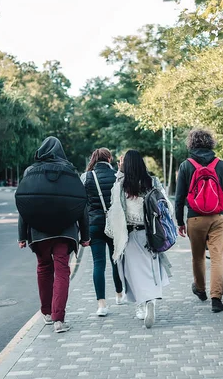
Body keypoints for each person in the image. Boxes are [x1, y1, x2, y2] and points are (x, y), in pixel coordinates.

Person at [18, 137, 90, 333]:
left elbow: (24, 204)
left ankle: (47, 313)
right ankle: (59, 319)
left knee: (43, 268)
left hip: (38, 231)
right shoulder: (70, 172)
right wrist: (85, 235)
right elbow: (81, 204)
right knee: (62, 271)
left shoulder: (30, 172)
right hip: (64, 231)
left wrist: (22, 236)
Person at [105, 150, 172, 329]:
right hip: (151, 234)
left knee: (132, 272)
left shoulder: (122, 184)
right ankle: (151, 301)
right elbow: (166, 207)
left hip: (130, 235)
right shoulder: (153, 182)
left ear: (125, 165)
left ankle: (141, 307)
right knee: (151, 269)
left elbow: (114, 206)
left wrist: (119, 173)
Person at [175, 129, 223, 313]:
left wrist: (180, 222)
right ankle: (216, 298)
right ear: (211, 143)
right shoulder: (221, 165)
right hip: (219, 217)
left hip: (195, 217)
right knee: (217, 258)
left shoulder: (186, 166)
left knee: (198, 256)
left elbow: (179, 198)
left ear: (191, 144)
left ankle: (200, 290)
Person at [83, 148, 124, 317]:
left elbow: (83, 205)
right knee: (116, 260)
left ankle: (101, 305)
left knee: (98, 263)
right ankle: (119, 295)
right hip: (114, 224)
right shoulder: (117, 176)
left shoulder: (86, 177)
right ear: (109, 158)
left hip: (94, 224)